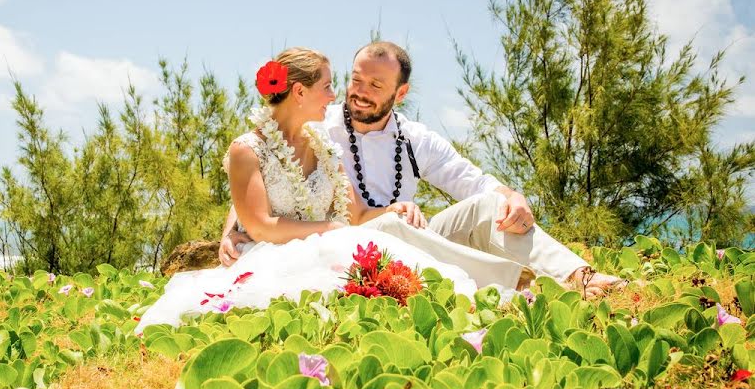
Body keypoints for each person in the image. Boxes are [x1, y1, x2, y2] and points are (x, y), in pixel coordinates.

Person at [136, 47, 507, 332]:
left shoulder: (325, 146)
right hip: (271, 253)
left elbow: (358, 215)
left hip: (328, 242)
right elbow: (261, 225)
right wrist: (324, 231)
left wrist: (393, 210)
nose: (335, 96)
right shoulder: (246, 149)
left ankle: (494, 283)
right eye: (327, 86)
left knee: (391, 232)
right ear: (299, 92)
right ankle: (502, 280)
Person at [219, 41, 622, 298]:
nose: (358, 92)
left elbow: (470, 179)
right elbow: (263, 175)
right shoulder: (318, 124)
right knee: (396, 228)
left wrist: (512, 196)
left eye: (376, 87)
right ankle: (523, 284)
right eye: (355, 80)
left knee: (486, 205)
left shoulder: (415, 139)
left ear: (401, 93)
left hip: (411, 238)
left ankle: (579, 276)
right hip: (348, 243)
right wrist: (232, 229)